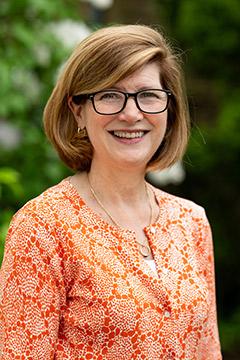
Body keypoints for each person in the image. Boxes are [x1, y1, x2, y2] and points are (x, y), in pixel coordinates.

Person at [0, 24, 222, 359]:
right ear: (78, 110)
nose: (131, 114)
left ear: (169, 109)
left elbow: (207, 351)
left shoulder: (191, 222)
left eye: (148, 95)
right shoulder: (42, 228)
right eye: (109, 96)